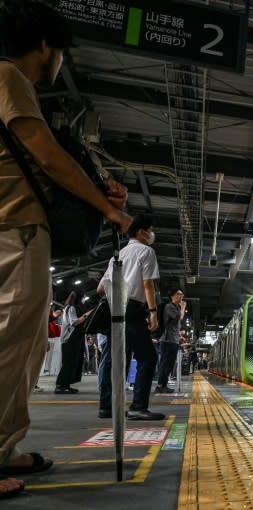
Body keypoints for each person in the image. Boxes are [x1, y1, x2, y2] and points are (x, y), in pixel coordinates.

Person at [0, 1, 131, 495]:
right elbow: (47, 155)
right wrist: (109, 207)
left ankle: (6, 447)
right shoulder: (10, 77)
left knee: (25, 347)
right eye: (60, 54)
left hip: (20, 227)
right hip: (13, 228)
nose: (61, 65)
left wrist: (98, 188)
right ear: (44, 46)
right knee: (10, 347)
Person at [97, 214, 164, 420]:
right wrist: (153, 313)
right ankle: (138, 406)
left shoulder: (117, 255)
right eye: (150, 230)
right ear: (142, 232)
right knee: (148, 357)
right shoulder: (146, 251)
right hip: (133, 309)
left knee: (115, 359)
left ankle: (107, 406)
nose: (152, 234)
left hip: (115, 307)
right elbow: (147, 284)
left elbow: (101, 288)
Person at [54, 291, 86, 394]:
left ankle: (65, 385)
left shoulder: (69, 307)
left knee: (70, 363)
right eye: (83, 298)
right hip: (70, 339)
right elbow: (74, 322)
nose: (83, 300)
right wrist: (86, 315)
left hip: (71, 339)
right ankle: (60, 386)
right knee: (68, 363)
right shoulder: (71, 308)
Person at [155, 289, 186, 394]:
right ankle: (160, 385)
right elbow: (179, 317)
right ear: (172, 296)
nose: (181, 296)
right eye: (178, 294)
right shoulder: (169, 307)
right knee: (165, 363)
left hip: (173, 340)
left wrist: (178, 336)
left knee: (170, 364)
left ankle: (164, 385)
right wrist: (183, 307)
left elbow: (173, 325)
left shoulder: (176, 307)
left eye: (182, 294)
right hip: (167, 340)